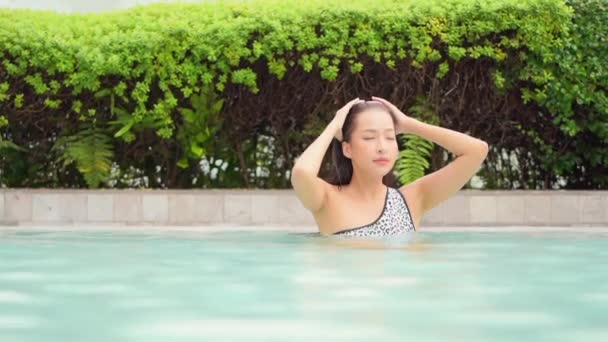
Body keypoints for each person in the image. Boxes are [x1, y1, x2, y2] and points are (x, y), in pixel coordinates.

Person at [290, 96, 489, 237]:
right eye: (369, 137)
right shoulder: (326, 199)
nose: (382, 147)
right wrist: (334, 126)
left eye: (390, 137)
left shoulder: (412, 199)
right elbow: (301, 172)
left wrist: (410, 124)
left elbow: (477, 151)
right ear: (347, 149)